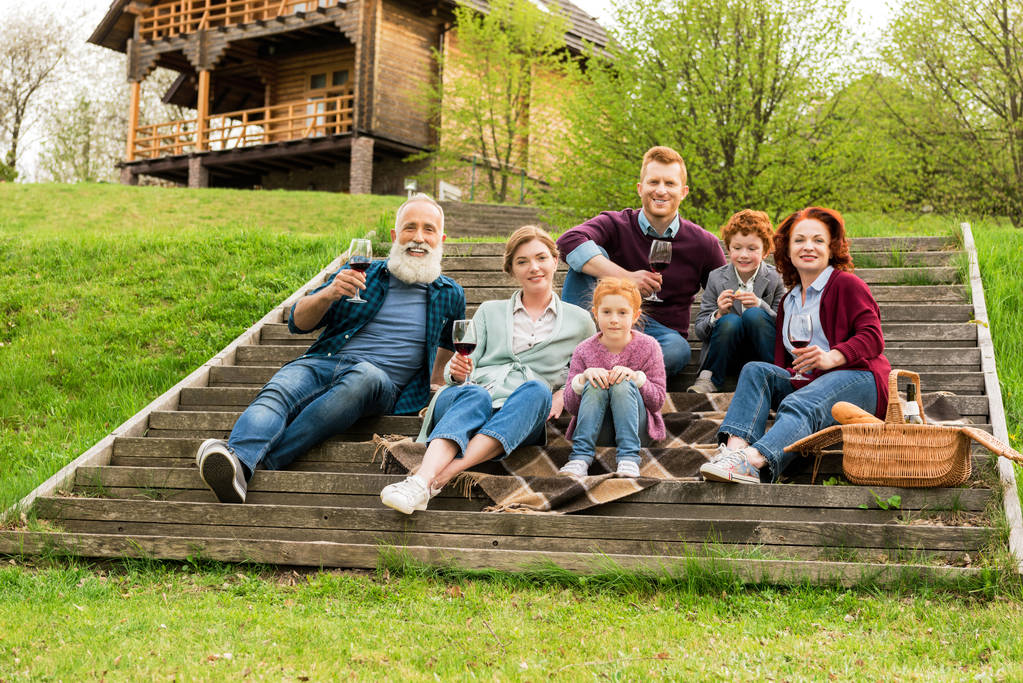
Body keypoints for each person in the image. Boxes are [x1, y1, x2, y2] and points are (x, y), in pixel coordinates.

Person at [194, 193, 465, 504]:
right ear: (394, 235)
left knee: (363, 376)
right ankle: (239, 464)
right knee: (279, 390)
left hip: (380, 382)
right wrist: (330, 292)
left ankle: (261, 462)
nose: (418, 237)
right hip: (324, 361)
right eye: (409, 227)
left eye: (428, 229)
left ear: (441, 239)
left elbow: (447, 347)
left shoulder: (450, 294)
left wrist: (440, 379)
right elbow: (297, 321)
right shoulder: (360, 273)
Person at [380, 225, 595, 514]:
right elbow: (459, 369)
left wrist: (562, 395)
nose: (534, 267)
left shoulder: (580, 321)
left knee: (538, 390)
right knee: (476, 394)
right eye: (522, 261)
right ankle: (422, 481)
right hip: (469, 399)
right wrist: (457, 371)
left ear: (555, 261)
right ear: (511, 270)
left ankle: (436, 478)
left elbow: (588, 369)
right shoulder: (489, 311)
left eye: (541, 258)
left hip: (521, 412)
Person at [699, 207, 891, 484]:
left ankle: (754, 461)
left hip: (860, 379)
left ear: (831, 248)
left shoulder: (847, 284)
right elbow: (788, 363)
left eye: (818, 240)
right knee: (755, 370)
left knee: (798, 401)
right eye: (799, 240)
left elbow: (873, 337)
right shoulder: (789, 300)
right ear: (787, 250)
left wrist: (832, 357)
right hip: (814, 383)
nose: (808, 246)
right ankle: (733, 453)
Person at [555, 145, 725, 376]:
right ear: (640, 188)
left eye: (670, 183)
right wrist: (626, 278)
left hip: (659, 334)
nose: (661, 190)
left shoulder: (704, 244)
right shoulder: (616, 224)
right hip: (605, 321)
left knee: (678, 350)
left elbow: (724, 290)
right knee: (588, 256)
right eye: (653, 182)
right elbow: (568, 241)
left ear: (683, 191)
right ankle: (583, 360)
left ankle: (606, 374)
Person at [559, 278, 667, 479]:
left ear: (635, 315)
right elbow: (572, 407)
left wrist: (636, 378)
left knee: (622, 383)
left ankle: (628, 458)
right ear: (595, 314)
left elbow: (658, 401)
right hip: (597, 429)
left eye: (622, 312)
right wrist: (582, 380)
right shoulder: (583, 350)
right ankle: (580, 458)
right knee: (595, 381)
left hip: (637, 430)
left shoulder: (649, 347)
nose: (614, 319)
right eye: (606, 312)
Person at [688, 209, 787, 393]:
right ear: (728, 249)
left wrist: (761, 305)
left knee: (754, 314)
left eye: (752, 249)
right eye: (737, 248)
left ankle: (774, 376)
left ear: (765, 251)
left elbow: (785, 325)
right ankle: (710, 379)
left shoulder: (776, 278)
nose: (743, 255)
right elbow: (700, 331)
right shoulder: (716, 278)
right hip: (726, 356)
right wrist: (718, 314)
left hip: (762, 355)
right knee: (730, 320)